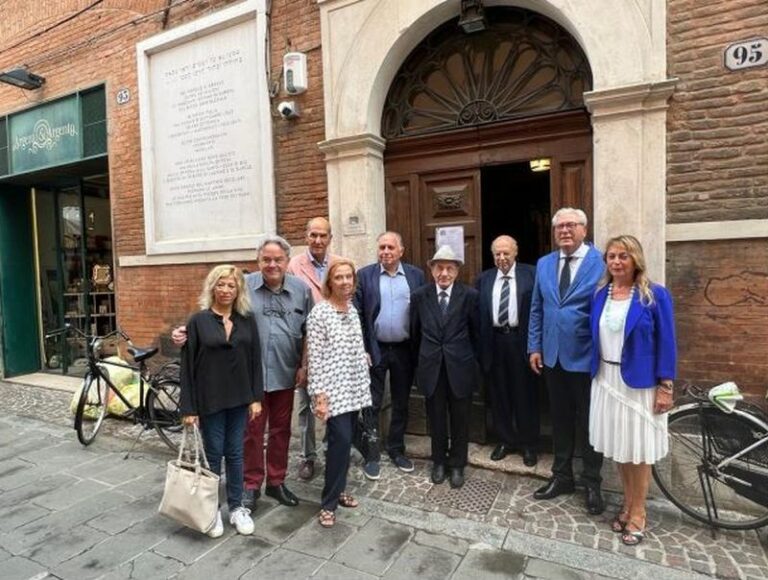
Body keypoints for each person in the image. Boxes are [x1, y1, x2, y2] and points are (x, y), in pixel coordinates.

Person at [172, 236, 312, 512]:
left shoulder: (301, 290)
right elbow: (214, 311)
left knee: (281, 431)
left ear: (287, 261)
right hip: (247, 378)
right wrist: (185, 331)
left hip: (286, 372)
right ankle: (250, 484)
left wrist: (304, 365)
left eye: (278, 259)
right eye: (266, 259)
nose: (272, 264)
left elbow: (307, 330)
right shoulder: (243, 285)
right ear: (258, 261)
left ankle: (276, 480)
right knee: (251, 433)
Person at [589, 235, 676, 546]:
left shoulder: (655, 296)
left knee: (638, 451)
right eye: (611, 256)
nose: (616, 261)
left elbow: (667, 342)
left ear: (635, 259)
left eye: (623, 256)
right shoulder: (600, 295)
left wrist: (666, 385)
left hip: (639, 384)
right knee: (621, 447)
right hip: (606, 379)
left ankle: (639, 512)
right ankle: (626, 504)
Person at [527, 207, 606, 515]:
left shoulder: (600, 262)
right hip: (552, 356)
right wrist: (535, 346)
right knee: (559, 419)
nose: (565, 231)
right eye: (559, 226)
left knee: (589, 423)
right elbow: (537, 307)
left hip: (586, 357)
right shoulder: (545, 263)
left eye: (571, 225)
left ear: (584, 230)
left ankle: (592, 482)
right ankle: (562, 477)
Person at [179, 265, 264, 538]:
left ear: (238, 289)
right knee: (213, 454)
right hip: (210, 399)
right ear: (212, 287)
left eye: (231, 285)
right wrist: (189, 407)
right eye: (221, 284)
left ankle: (237, 507)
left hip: (240, 399)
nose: (226, 290)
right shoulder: (198, 321)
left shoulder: (247, 320)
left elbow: (254, 361)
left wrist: (256, 398)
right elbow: (188, 367)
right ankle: (211, 509)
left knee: (237, 453)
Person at [354, 231, 425, 480]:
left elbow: (421, 313)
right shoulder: (365, 275)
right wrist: (362, 348)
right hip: (375, 349)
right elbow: (359, 315)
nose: (385, 252)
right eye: (381, 247)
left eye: (390, 248)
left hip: (405, 349)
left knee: (401, 401)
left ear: (401, 251)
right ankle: (371, 453)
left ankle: (396, 449)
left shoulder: (416, 276)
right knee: (371, 402)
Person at [307, 259, 372, 528]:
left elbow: (356, 345)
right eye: (339, 277)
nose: (345, 282)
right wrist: (320, 396)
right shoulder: (320, 313)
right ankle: (328, 503)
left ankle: (339, 489)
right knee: (340, 442)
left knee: (344, 445)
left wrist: (364, 356)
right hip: (333, 391)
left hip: (354, 386)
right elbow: (316, 357)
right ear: (329, 282)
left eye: (349, 277)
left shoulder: (352, 309)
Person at [411, 245, 480, 489]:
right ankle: (439, 461)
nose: (444, 273)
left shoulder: (469, 296)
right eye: (439, 268)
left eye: (449, 268)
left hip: (460, 367)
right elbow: (414, 333)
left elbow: (476, 333)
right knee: (437, 417)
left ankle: (458, 464)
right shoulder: (420, 296)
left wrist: (474, 367)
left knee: (461, 418)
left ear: (457, 271)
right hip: (431, 367)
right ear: (431, 270)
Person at [475, 235, 539, 466]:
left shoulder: (531, 275)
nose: (502, 258)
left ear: (515, 252)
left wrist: (536, 345)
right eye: (497, 254)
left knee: (525, 394)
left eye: (506, 253)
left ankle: (528, 444)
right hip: (494, 342)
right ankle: (505, 440)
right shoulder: (484, 279)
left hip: (520, 341)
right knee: (498, 394)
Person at [287, 217, 339, 481]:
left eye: (323, 236)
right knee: (306, 404)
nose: (318, 240)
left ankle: (332, 450)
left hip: (334, 346)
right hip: (305, 345)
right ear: (306, 236)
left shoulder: (339, 263)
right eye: (313, 235)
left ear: (330, 238)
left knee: (336, 403)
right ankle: (307, 456)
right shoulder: (294, 265)